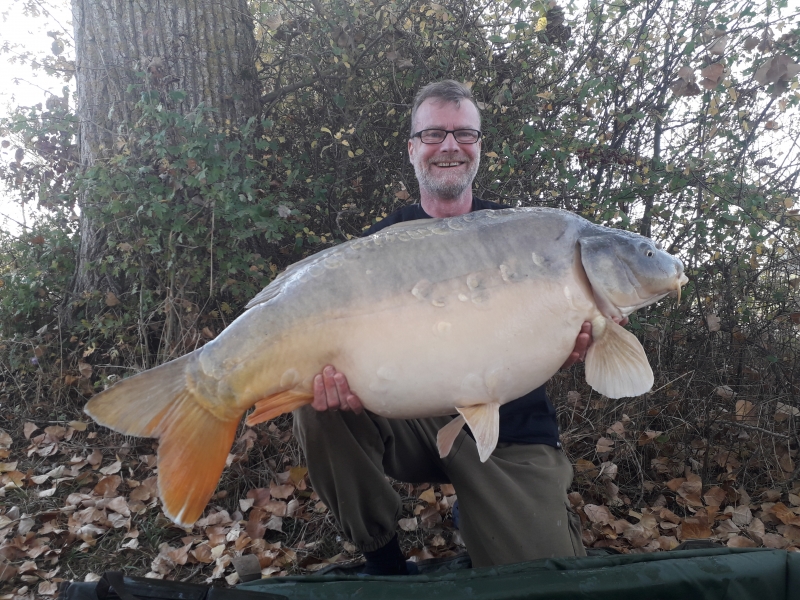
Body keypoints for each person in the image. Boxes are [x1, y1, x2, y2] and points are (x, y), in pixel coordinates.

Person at [293, 80, 591, 575]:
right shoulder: (378, 248)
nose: (449, 145)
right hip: (410, 417)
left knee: (542, 583)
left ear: (478, 148)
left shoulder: (526, 233)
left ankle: (481, 509)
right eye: (433, 134)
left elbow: (566, 327)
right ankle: (384, 561)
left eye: (464, 134)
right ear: (413, 150)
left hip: (511, 429)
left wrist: (573, 343)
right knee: (313, 401)